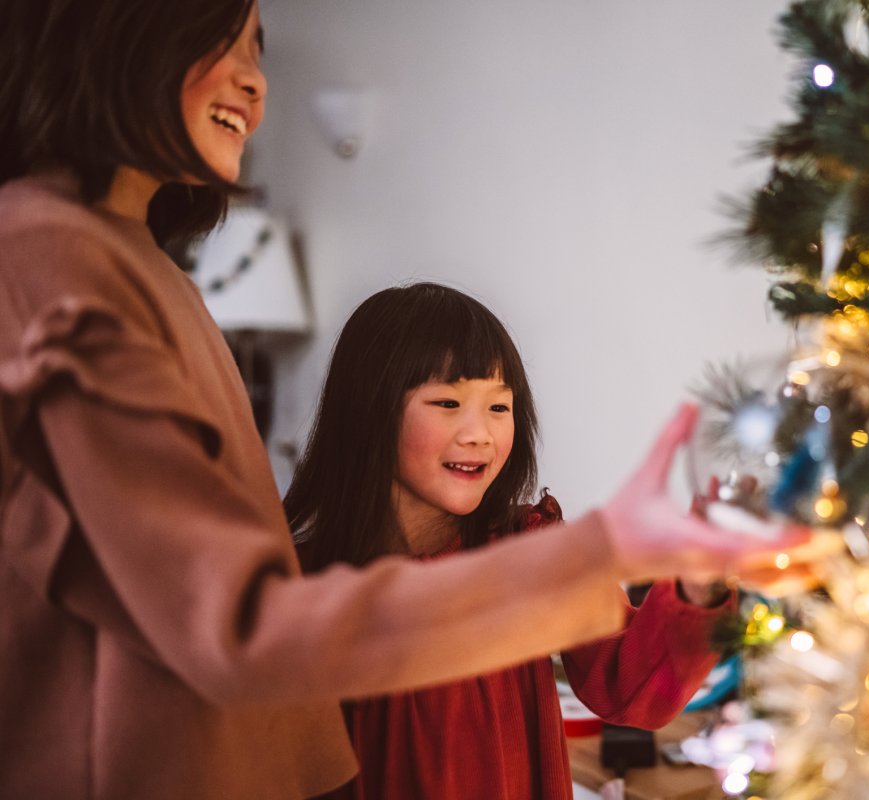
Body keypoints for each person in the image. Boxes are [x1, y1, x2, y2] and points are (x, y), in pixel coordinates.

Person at [0, 1, 806, 797]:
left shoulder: (137, 265)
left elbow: (635, 686)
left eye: (499, 405)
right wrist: (602, 550)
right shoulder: (57, 261)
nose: (256, 85)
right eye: (225, 44)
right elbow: (234, 624)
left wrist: (670, 579)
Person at [286, 283, 735, 799]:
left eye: (500, 408)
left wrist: (699, 585)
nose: (480, 433)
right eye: (448, 402)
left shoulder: (530, 551)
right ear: (369, 411)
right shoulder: (302, 587)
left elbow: (627, 685)